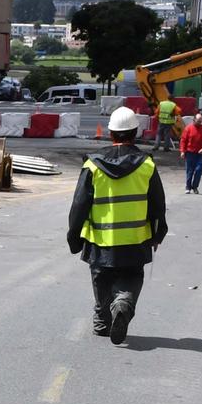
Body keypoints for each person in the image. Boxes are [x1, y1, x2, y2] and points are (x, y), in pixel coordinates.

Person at [67, 105, 167, 346]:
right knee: (131, 276)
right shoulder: (147, 165)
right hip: (135, 240)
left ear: (110, 133)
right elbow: (157, 204)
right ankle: (123, 303)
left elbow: (79, 204)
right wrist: (158, 233)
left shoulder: (92, 165)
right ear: (135, 133)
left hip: (100, 241)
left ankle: (102, 321)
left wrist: (74, 237)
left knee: (101, 276)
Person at [180, 112, 202, 194]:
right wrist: (182, 151)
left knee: (199, 169)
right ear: (194, 120)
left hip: (199, 154)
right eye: (198, 121)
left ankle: (195, 186)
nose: (199, 123)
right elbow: (183, 140)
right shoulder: (188, 128)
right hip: (190, 153)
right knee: (189, 171)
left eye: (200, 121)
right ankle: (188, 187)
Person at [153, 96, 183, 162]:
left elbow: (156, 112)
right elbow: (179, 111)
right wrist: (174, 114)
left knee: (158, 134)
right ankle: (166, 148)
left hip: (161, 121)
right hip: (168, 122)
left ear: (167, 98)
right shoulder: (173, 105)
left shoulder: (161, 103)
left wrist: (157, 117)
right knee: (167, 135)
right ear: (172, 99)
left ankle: (156, 146)